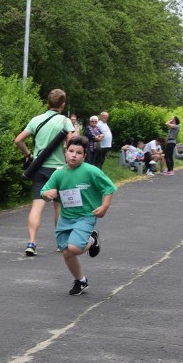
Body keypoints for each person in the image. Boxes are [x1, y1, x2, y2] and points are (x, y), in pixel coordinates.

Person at [40, 136, 117, 296]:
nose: (74, 155)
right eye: (71, 151)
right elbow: (44, 192)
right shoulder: (59, 174)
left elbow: (108, 188)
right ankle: (80, 281)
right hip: (66, 217)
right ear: (65, 152)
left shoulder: (91, 171)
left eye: (79, 153)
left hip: (86, 216)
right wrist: (47, 194)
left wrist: (104, 206)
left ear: (84, 156)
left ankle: (92, 239)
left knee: (75, 248)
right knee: (67, 252)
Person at [14, 88, 76, 256]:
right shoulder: (64, 121)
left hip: (39, 168)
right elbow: (71, 142)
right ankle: (61, 242)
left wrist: (29, 155)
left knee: (37, 206)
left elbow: (18, 140)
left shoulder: (36, 120)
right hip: (58, 170)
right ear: (62, 105)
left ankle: (32, 243)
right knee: (59, 207)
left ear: (48, 103)